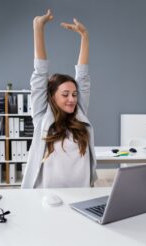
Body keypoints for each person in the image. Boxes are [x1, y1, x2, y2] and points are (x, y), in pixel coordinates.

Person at [21, 10, 97, 189]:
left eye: (74, 94)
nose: (71, 99)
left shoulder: (80, 113)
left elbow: (83, 78)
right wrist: (38, 27)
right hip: (46, 199)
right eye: (65, 95)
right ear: (52, 96)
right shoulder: (42, 116)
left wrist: (84, 36)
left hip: (82, 196)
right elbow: (40, 73)